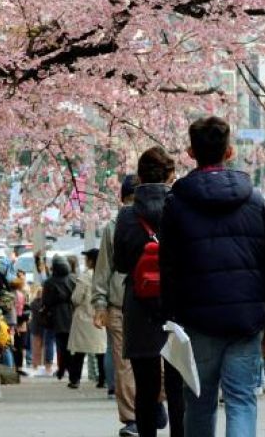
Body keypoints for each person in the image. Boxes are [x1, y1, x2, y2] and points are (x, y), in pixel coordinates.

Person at [159, 116, 265, 437]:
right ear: (229, 152)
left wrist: (169, 317)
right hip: (246, 317)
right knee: (241, 399)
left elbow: (168, 266)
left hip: (196, 318)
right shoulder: (254, 201)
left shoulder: (176, 204)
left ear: (190, 152)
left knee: (199, 399)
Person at [113, 147, 183, 437]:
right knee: (178, 384)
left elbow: (120, 263)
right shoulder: (180, 208)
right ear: (171, 175)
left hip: (140, 304)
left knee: (146, 387)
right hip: (177, 301)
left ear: (139, 178)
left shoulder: (127, 216)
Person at [94, 174, 139, 436]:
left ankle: (132, 417)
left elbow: (103, 270)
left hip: (119, 302)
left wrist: (100, 304)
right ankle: (138, 413)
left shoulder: (114, 225)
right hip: (129, 303)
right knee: (145, 360)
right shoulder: (115, 226)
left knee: (125, 364)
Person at [68, 248, 107, 389]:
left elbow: (76, 298)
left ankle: (75, 379)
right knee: (101, 351)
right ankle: (103, 379)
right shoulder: (104, 275)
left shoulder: (84, 277)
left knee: (79, 351)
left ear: (90, 261)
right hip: (100, 316)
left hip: (84, 317)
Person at [43, 255, 74, 382]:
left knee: (60, 345)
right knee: (71, 345)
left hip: (56, 316)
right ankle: (70, 368)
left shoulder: (50, 282)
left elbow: (46, 301)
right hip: (71, 314)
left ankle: (61, 369)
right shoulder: (73, 280)